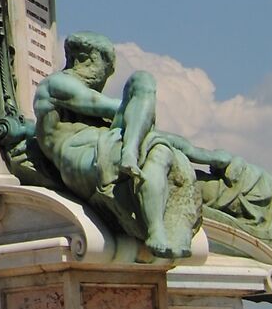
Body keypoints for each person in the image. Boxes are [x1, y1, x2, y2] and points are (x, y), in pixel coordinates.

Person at [32, 32, 203, 259]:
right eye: (107, 70)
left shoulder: (81, 101)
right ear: (90, 61)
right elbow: (104, 106)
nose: (105, 80)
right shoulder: (57, 84)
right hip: (80, 154)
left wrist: (198, 154)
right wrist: (141, 110)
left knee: (160, 151)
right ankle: (130, 151)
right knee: (142, 82)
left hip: (108, 143)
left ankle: (156, 229)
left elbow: (137, 119)